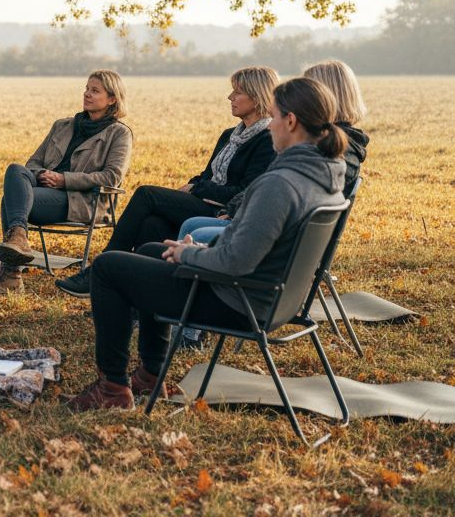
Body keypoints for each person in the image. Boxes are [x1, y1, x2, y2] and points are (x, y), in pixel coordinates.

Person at [67, 76, 348, 410]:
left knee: (108, 267)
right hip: (272, 297)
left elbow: (236, 262)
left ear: (291, 121)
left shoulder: (280, 184)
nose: (270, 125)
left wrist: (190, 254)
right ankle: (151, 375)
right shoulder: (326, 174)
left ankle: (112, 388)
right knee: (148, 251)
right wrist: (202, 250)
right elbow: (257, 245)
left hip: (237, 300)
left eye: (273, 117)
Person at [55, 65, 279, 298]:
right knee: (152, 224)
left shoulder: (266, 140)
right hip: (204, 200)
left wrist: (197, 188)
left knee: (146, 194)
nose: (230, 97)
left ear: (257, 96)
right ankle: (136, 298)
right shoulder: (229, 135)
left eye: (237, 92)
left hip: (222, 212)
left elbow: (244, 192)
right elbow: (206, 175)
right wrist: (197, 184)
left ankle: (99, 269)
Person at [173, 59, 368, 246]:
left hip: (280, 240)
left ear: (326, 97)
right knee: (185, 226)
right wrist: (234, 208)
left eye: (308, 90)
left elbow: (282, 194)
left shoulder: (331, 151)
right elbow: (267, 186)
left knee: (192, 229)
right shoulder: (322, 145)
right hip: (272, 229)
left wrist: (237, 213)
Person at [0, 70, 134, 290]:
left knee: (9, 201)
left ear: (112, 99)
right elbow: (33, 164)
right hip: (44, 188)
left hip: (82, 200)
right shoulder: (62, 125)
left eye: (95, 91)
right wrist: (42, 176)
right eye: (86, 88)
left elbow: (112, 177)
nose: (87, 94)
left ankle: (11, 274)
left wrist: (63, 180)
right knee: (15, 170)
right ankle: (18, 237)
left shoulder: (119, 134)